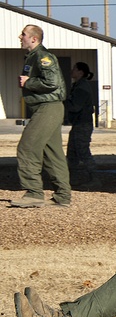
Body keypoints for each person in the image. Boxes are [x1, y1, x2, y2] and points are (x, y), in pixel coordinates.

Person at [13, 24, 71, 208]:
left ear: (33, 39)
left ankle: (34, 193)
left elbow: (52, 82)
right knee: (53, 153)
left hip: (48, 107)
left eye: (23, 34)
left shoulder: (43, 56)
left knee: (27, 147)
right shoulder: (33, 57)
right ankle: (63, 197)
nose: (19, 37)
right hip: (46, 108)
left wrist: (29, 81)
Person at [65, 61, 100, 188]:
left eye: (74, 69)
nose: (72, 71)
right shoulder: (78, 86)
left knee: (83, 152)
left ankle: (94, 178)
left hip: (82, 124)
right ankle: (71, 179)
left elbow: (75, 107)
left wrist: (64, 102)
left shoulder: (81, 88)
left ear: (80, 72)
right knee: (72, 153)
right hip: (78, 124)